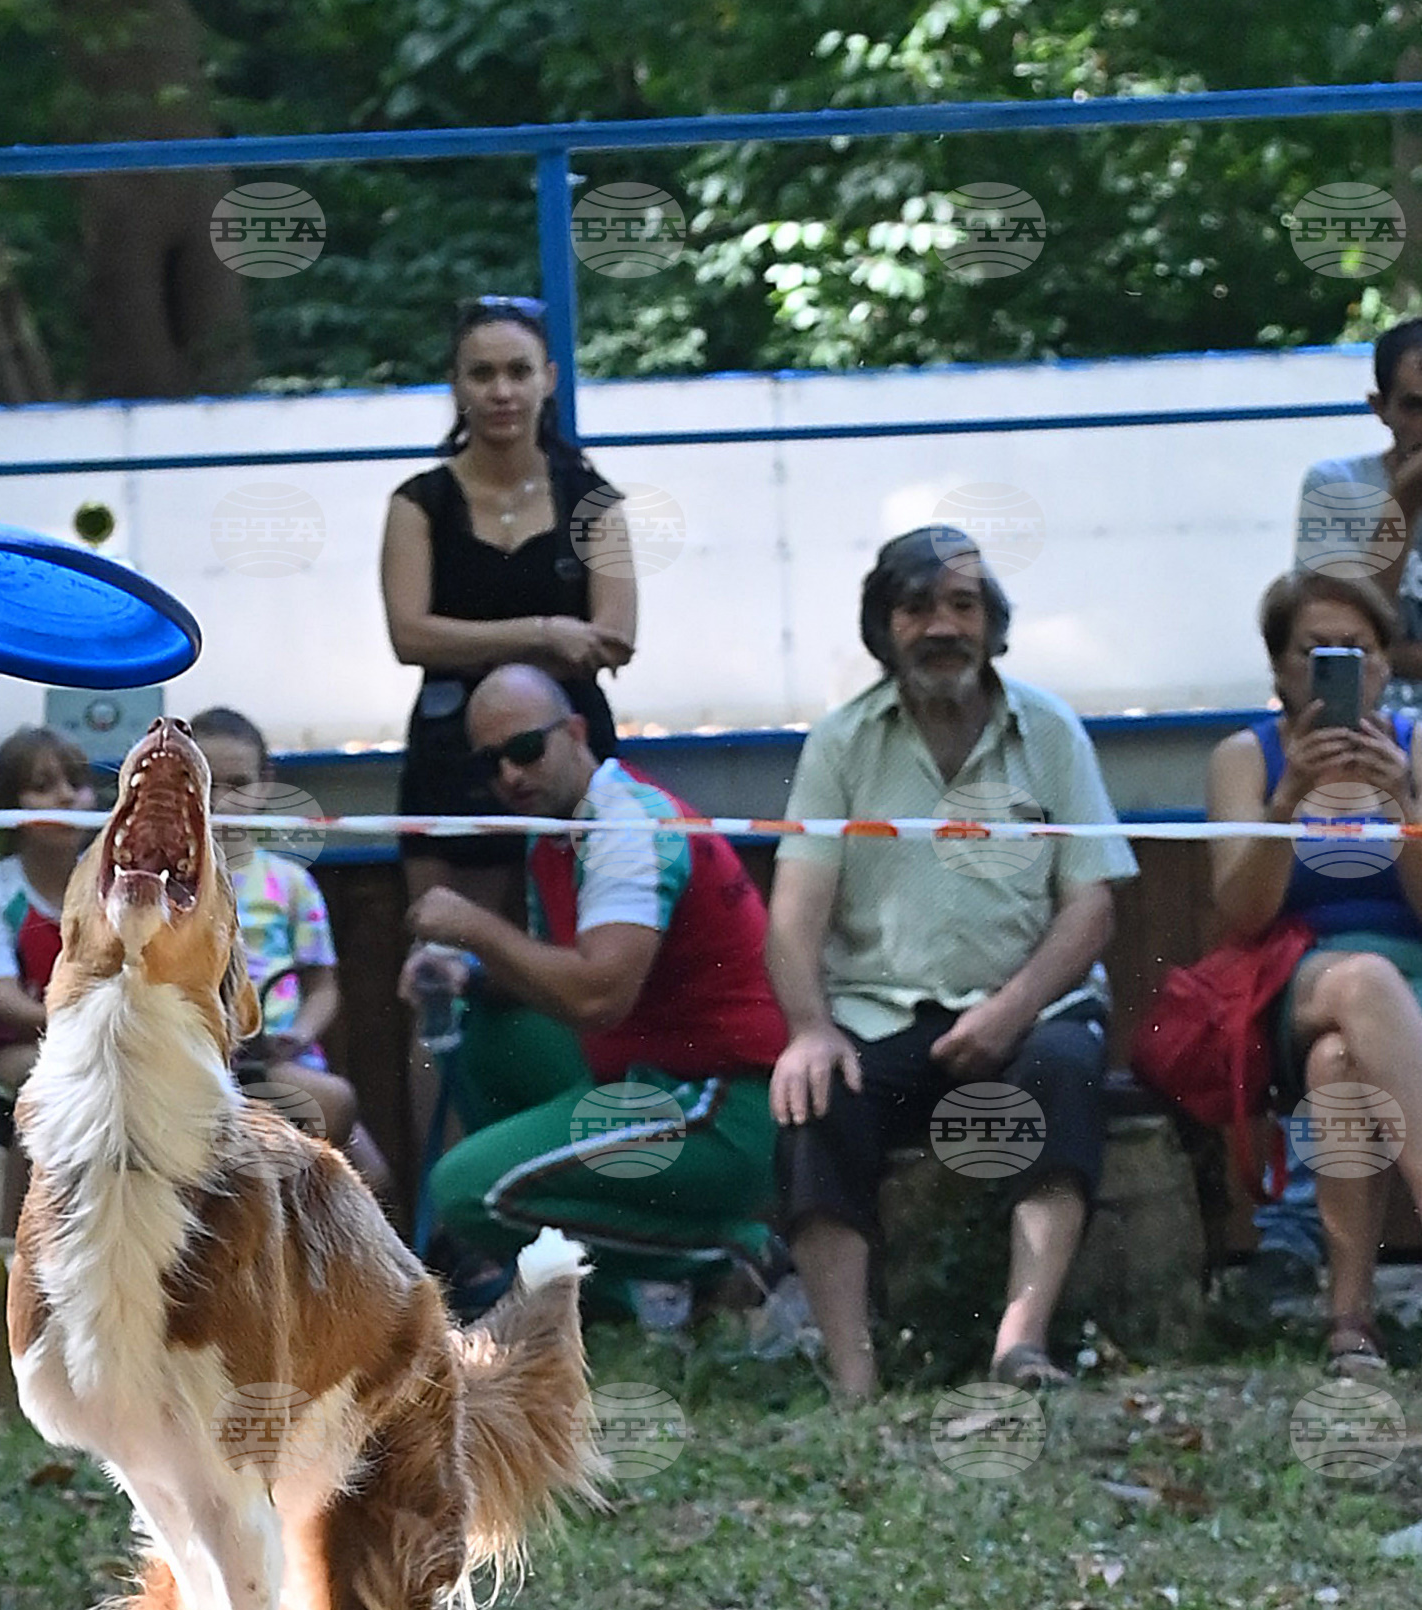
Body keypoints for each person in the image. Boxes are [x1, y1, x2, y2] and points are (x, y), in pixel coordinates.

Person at [765, 525, 1138, 1402]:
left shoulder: (1048, 731)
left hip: (1029, 1010)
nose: (942, 626)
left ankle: (1019, 1341)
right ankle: (854, 1376)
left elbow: (1090, 904)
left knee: (1061, 1067)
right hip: (879, 1016)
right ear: (881, 626)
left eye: (962, 606)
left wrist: (1011, 1009)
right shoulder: (839, 744)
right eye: (917, 607)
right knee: (812, 1105)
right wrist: (810, 1030)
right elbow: (793, 918)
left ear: (991, 623)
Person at [403, 665, 787, 1312]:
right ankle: (637, 1272)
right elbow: (564, 975)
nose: (509, 777)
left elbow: (596, 997)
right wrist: (464, 973)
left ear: (576, 732)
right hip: (647, 1077)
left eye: (525, 750)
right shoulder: (560, 828)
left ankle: (723, 1260)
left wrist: (474, 930)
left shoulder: (625, 830)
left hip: (721, 1103)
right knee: (475, 1027)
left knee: (467, 1194)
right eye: (489, 764)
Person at [1206, 564, 1422, 1376]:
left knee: (1342, 1064)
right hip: (1293, 974)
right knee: (1361, 983)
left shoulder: (1415, 748)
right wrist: (1285, 800)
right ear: (1277, 667)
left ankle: (1350, 1323)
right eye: (1314, 651)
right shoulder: (1245, 757)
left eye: (1357, 651)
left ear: (1383, 664)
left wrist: (1406, 809)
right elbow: (1240, 914)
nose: (1339, 667)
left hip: (1409, 985)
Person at [379, 298, 635, 914]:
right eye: (482, 374)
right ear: (455, 386)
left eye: (518, 373)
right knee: (447, 960)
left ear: (548, 378)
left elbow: (616, 638)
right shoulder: (417, 504)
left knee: (584, 944)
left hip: (569, 750)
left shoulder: (594, 503)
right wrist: (547, 634)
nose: (502, 392)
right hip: (451, 750)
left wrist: (470, 642)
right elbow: (409, 637)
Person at [188, 705, 395, 1209]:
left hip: (281, 1055)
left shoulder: (291, 883)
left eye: (239, 784)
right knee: (331, 1107)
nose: (223, 804)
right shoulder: (169, 882)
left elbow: (322, 987)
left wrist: (297, 1034)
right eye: (207, 785)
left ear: (267, 784)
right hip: (201, 1060)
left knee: (375, 1177)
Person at [0, 726, 96, 1093]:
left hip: (108, 1045)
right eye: (43, 787)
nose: (66, 797)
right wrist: (93, 1026)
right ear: (8, 809)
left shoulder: (114, 887)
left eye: (76, 784)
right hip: (15, 1049)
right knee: (66, 1080)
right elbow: (4, 1002)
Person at [1294, 318, 1422, 711]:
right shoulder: (1336, 485)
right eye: (1414, 406)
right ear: (1380, 408)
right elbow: (1344, 642)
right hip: (1370, 727)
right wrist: (1402, 501)